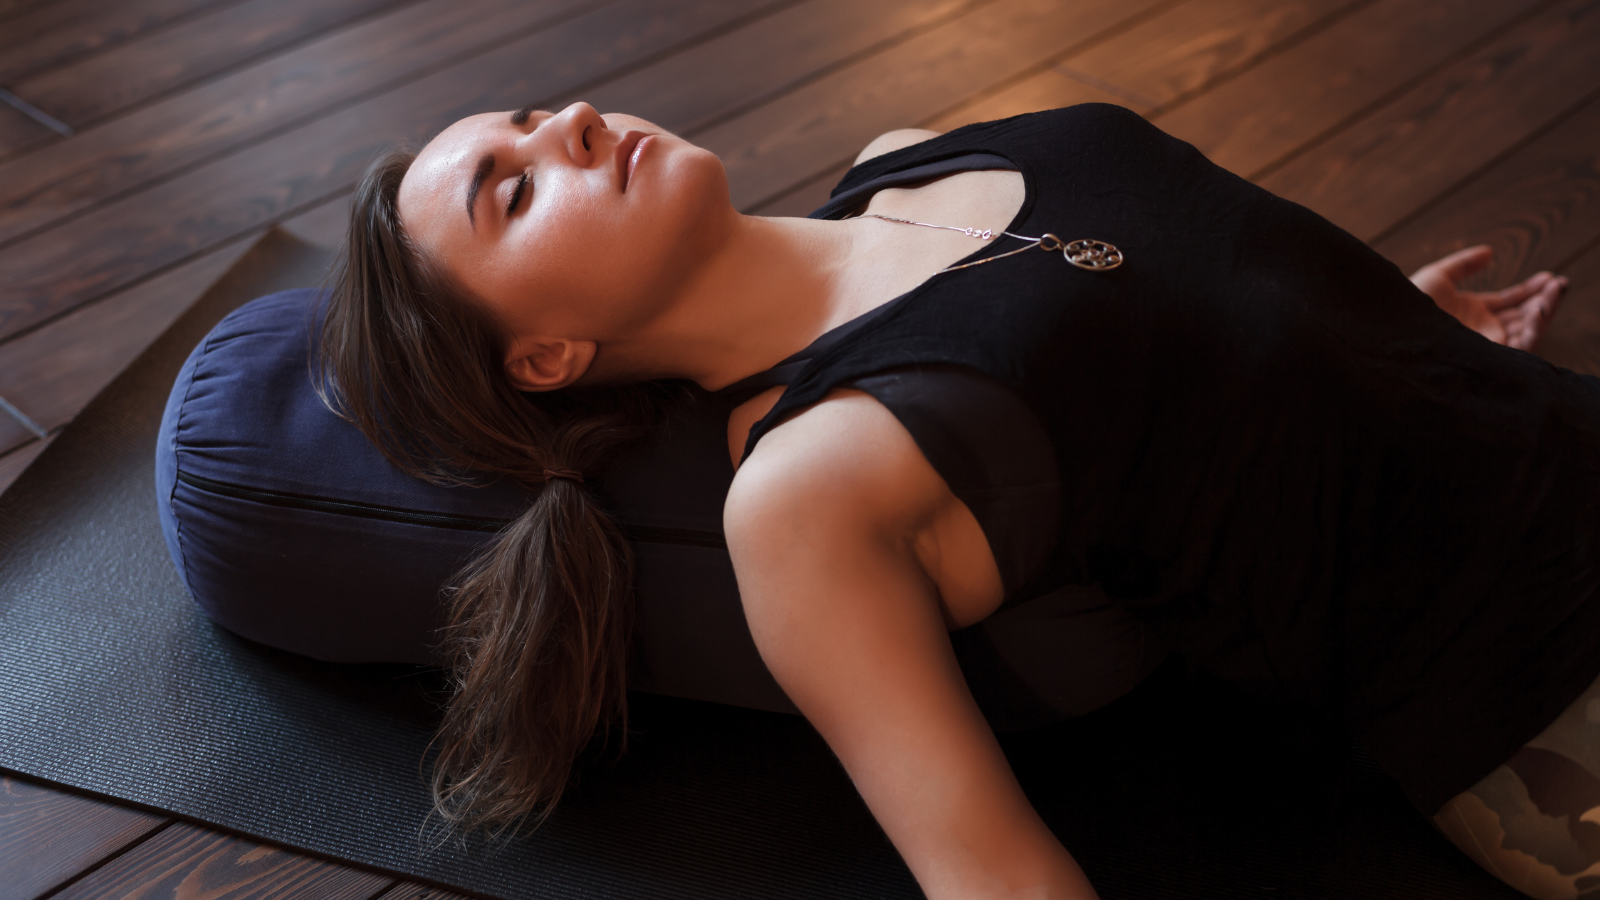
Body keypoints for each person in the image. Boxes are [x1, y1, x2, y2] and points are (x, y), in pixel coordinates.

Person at [318, 99, 1587, 899]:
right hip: (1545, 686)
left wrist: (1385, 337)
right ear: (545, 359)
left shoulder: (917, 153)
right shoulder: (804, 488)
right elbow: (984, 870)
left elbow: (1193, 302)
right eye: (517, 188)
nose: (574, 127)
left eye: (536, 118)